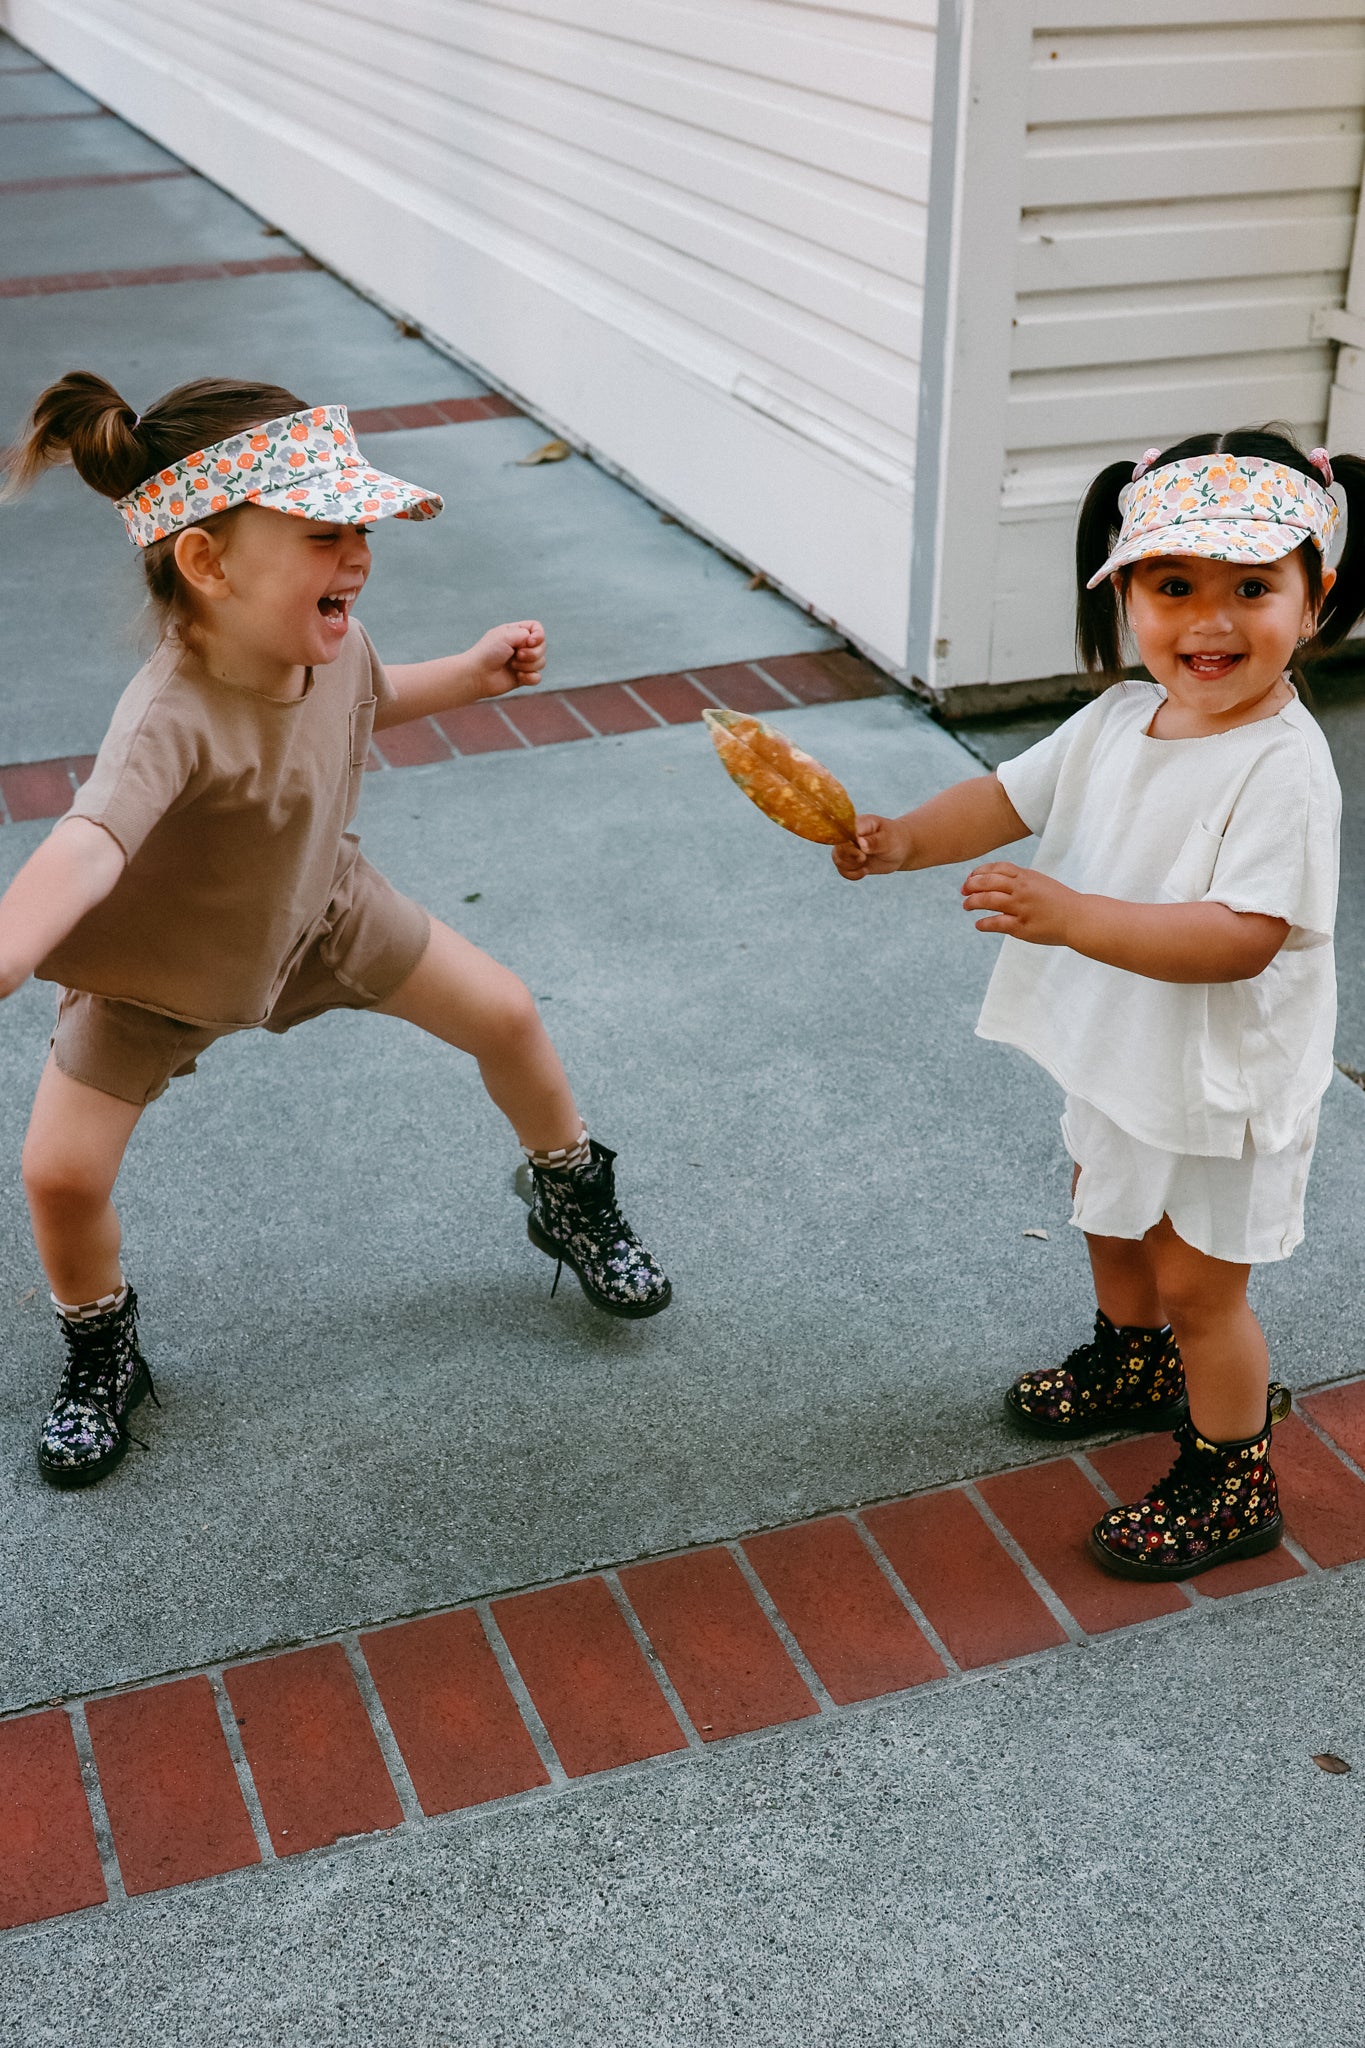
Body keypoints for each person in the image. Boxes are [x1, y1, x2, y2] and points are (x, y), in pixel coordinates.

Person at [0, 373, 671, 1491]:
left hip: (324, 912)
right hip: (157, 977)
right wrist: (15, 940)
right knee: (60, 1173)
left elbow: (367, 691)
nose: (357, 554)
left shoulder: (330, 639)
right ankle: (99, 1339)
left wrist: (467, 673)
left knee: (505, 1013)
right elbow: (88, 842)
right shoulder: (167, 715)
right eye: (324, 531)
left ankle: (569, 1193)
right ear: (208, 564)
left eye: (359, 527)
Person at [836, 429, 1365, 1580]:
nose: (1210, 621)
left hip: (1220, 1075)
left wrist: (1073, 916)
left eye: (1252, 588)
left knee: (1200, 1282)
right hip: (1125, 1049)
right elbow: (1002, 796)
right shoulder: (1122, 718)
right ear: (1124, 591)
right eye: (1174, 584)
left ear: (1315, 601)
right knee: (1109, 1208)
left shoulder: (1282, 766)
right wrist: (899, 842)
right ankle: (1132, 1360)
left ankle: (1234, 1469)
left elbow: (1241, 939)